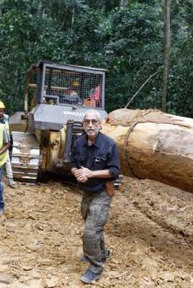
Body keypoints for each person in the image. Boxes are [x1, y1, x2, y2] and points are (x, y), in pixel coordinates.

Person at [70, 110, 120, 284]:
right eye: (87, 122)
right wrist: (78, 174)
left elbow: (114, 171)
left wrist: (91, 174)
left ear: (100, 125)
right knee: (92, 224)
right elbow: (74, 164)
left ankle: (95, 268)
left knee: (90, 231)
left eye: (94, 121)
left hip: (102, 192)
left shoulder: (109, 144)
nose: (90, 125)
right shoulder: (78, 143)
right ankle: (102, 253)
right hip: (86, 191)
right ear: (83, 125)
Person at [0, 100, 16, 188]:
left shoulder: (5, 118)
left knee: (6, 160)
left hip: (3, 143)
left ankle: (10, 179)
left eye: (2, 110)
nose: (1, 112)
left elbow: (7, 130)